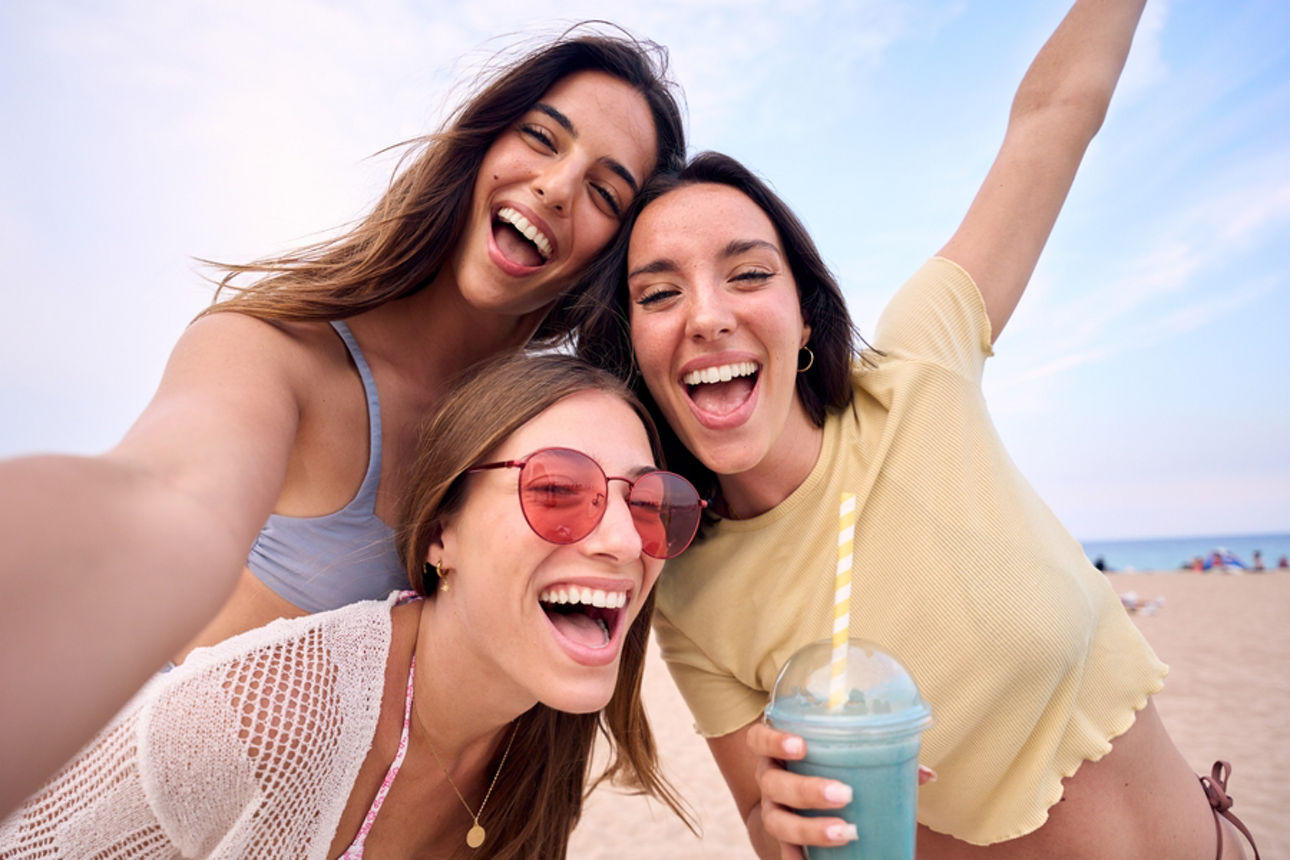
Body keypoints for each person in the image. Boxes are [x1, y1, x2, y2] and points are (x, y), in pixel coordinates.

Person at [577, 2, 1260, 857]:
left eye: (748, 274)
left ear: (803, 313)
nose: (709, 316)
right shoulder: (687, 594)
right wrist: (786, 818)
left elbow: (1054, 116)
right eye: (659, 293)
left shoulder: (920, 365)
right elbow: (764, 822)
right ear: (633, 349)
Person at [0, 28, 685, 817]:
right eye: (540, 137)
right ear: (481, 143)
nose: (558, 188)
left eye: (605, 193)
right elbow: (162, 502)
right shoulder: (273, 355)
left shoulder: (551, 441)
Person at [0, 353, 704, 858]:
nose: (623, 541)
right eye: (555, 490)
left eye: (651, 503)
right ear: (441, 535)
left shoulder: (543, 745)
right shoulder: (259, 720)